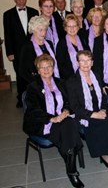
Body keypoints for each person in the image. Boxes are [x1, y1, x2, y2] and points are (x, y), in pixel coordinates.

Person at [23, 54, 84, 188]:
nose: (46, 70)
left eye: (49, 66)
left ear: (53, 67)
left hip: (62, 118)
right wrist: (52, 118)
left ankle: (71, 166)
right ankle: (72, 170)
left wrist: (66, 112)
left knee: (68, 123)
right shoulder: (33, 87)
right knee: (69, 127)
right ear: (38, 70)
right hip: (43, 122)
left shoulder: (61, 83)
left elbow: (70, 102)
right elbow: (33, 110)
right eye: (42, 68)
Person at [66, 50, 108, 169]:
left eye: (88, 60)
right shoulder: (72, 81)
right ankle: (104, 154)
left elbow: (104, 96)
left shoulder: (97, 76)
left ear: (92, 62)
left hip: (99, 109)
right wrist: (93, 114)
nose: (85, 63)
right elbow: (75, 107)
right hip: (84, 113)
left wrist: (104, 109)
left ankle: (106, 150)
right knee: (98, 124)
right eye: (82, 60)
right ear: (78, 63)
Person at [3, 0, 38, 107]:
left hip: (32, 50)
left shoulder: (34, 12)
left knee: (33, 73)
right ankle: (21, 98)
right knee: (20, 74)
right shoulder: (7, 15)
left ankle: (34, 96)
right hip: (17, 52)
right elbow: (7, 34)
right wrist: (9, 52)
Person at [20, 16, 59, 84]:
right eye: (40, 30)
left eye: (45, 29)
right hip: (35, 83)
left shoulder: (49, 44)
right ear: (33, 30)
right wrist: (36, 83)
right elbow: (22, 71)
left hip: (52, 80)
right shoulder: (27, 47)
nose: (43, 33)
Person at [56, 14, 88, 79]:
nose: (72, 28)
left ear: (78, 27)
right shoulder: (61, 44)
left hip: (86, 75)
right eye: (69, 26)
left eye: (74, 26)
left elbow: (89, 56)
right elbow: (61, 66)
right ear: (65, 28)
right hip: (70, 79)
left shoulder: (83, 40)